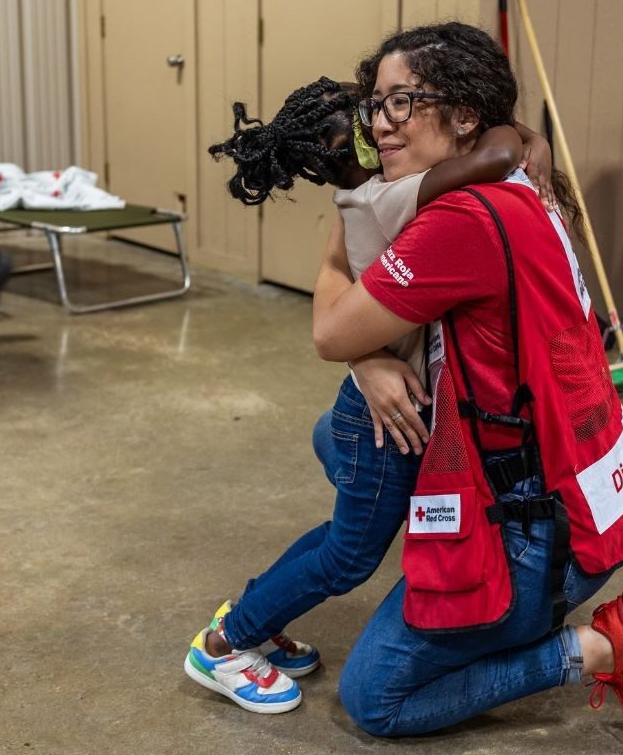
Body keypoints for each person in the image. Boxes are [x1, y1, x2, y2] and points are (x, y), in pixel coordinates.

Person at [312, 22, 623, 747]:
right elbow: (353, 324)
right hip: (589, 500)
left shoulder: (457, 221)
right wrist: (367, 356)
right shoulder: (512, 178)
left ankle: (599, 646)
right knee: (338, 434)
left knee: (375, 698)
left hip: (534, 536)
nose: (379, 126)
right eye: (375, 105)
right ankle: (498, 607)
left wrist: (359, 347)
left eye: (401, 103)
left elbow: (330, 331)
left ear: (462, 116)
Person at [184, 77, 557, 713]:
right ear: (345, 151)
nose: (385, 130)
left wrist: (529, 138)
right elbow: (494, 155)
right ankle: (224, 646)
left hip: (384, 412)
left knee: (342, 538)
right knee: (349, 556)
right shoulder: (384, 197)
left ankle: (253, 613)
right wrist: (530, 139)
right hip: (381, 423)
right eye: (367, 125)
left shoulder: (367, 194)